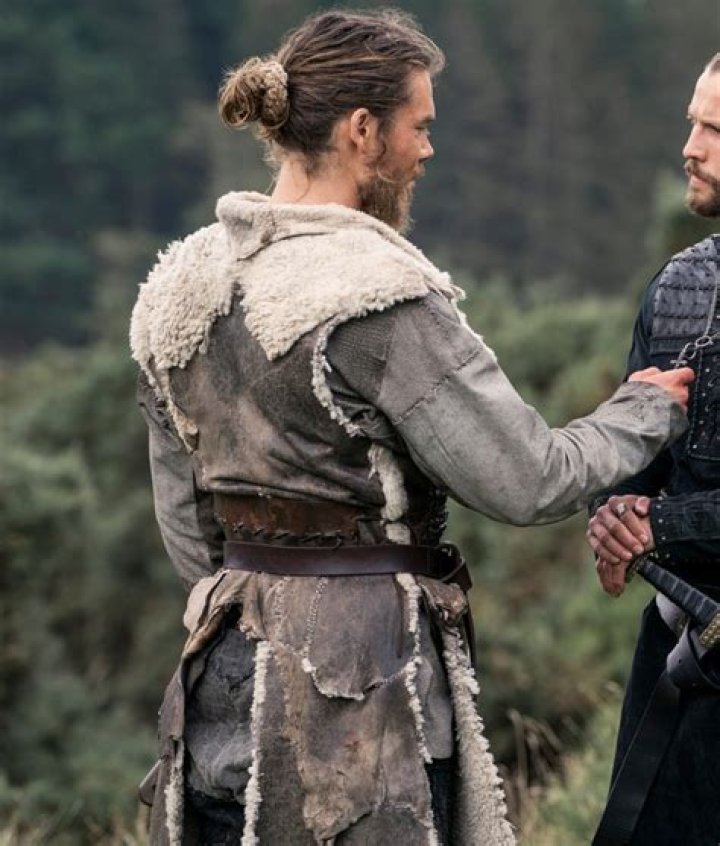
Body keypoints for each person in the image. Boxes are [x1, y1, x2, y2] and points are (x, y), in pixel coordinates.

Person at [131, 9, 692, 845]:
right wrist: (645, 410)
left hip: (219, 679)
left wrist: (261, 590)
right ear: (363, 131)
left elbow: (187, 525)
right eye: (419, 127)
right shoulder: (376, 294)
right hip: (360, 696)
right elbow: (529, 478)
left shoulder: (180, 284)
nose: (428, 151)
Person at [587, 54, 720, 846]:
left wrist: (656, 527)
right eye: (692, 123)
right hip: (681, 657)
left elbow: (659, 513)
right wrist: (614, 513)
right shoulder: (677, 286)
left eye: (715, 130)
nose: (690, 147)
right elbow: (638, 463)